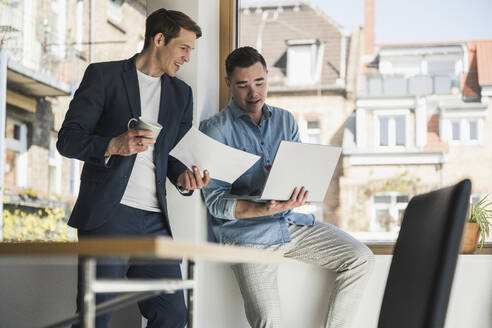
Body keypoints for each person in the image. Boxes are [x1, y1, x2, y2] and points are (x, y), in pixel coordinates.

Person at [199, 46, 374, 328]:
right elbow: (216, 203)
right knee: (269, 321)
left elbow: (297, 171)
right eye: (243, 85)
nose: (253, 93)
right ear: (228, 83)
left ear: (268, 76)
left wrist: (298, 191)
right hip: (248, 237)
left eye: (260, 83)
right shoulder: (215, 130)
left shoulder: (285, 120)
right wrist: (260, 207)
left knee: (361, 259)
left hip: (288, 221)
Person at [57, 8, 209, 328]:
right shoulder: (104, 76)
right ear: (158, 39)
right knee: (94, 315)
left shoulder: (181, 94)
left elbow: (172, 155)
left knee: (172, 314)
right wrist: (113, 145)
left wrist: (185, 177)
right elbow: (68, 140)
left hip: (155, 220)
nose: (187, 58)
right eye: (183, 48)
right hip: (108, 212)